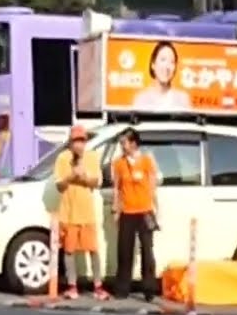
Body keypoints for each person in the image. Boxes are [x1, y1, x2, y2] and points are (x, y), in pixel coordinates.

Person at [54, 125, 109, 300]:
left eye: (82, 141)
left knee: (93, 249)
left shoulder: (92, 157)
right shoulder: (63, 158)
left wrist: (84, 177)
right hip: (68, 212)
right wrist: (71, 176)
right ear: (70, 143)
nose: (79, 145)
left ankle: (98, 286)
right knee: (69, 251)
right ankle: (72, 287)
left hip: (87, 212)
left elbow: (97, 183)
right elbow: (59, 185)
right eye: (76, 141)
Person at [111, 127, 160, 301]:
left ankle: (149, 289)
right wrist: (116, 210)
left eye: (124, 142)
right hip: (127, 211)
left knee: (147, 250)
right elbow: (116, 188)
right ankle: (122, 288)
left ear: (133, 143)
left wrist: (157, 210)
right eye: (121, 142)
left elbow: (153, 187)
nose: (122, 145)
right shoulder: (118, 163)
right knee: (124, 251)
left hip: (145, 210)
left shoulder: (147, 161)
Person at [132, 41, 193, 112]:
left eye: (172, 62)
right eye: (163, 60)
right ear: (153, 64)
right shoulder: (141, 99)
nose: (167, 66)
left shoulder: (183, 99)